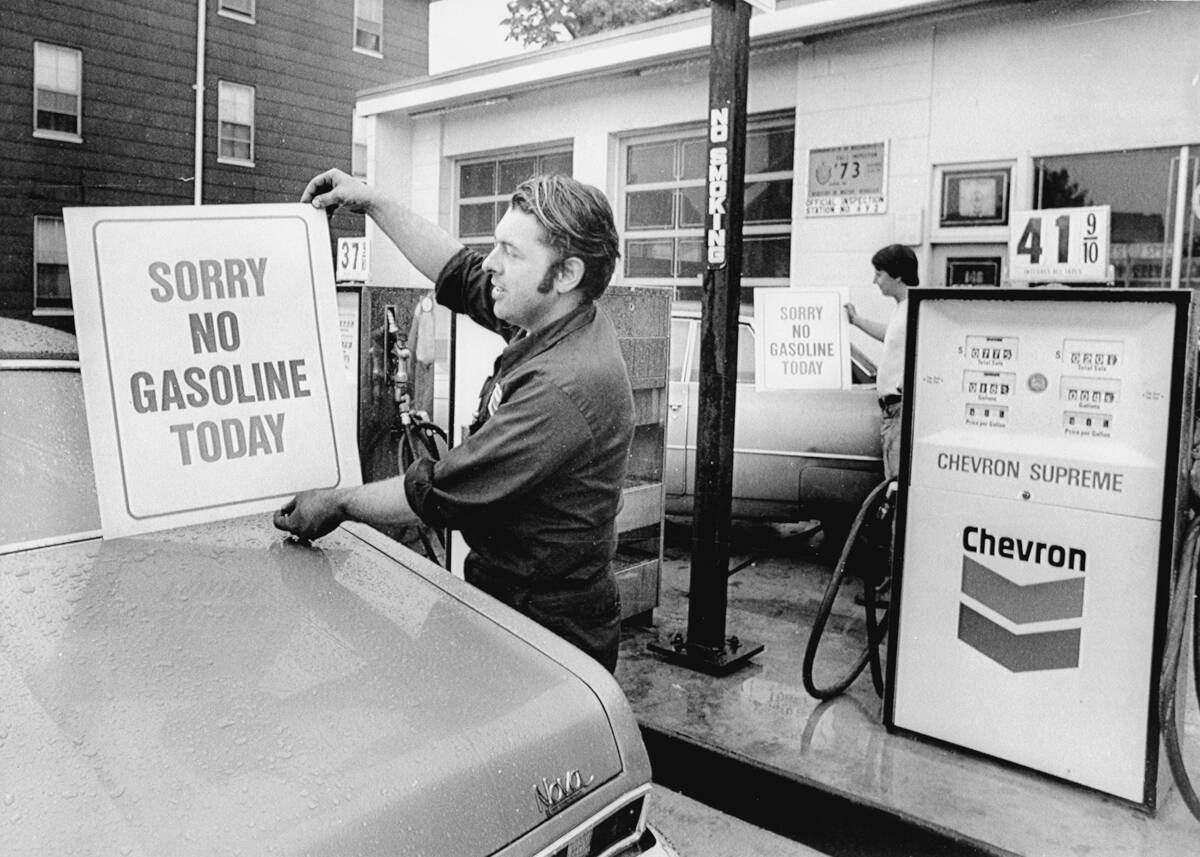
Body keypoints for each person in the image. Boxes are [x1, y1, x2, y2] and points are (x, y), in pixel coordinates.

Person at [274, 168, 634, 672]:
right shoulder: (552, 315)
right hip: (511, 603)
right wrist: (371, 200)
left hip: (547, 636)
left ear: (567, 274)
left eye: (511, 252)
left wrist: (337, 502)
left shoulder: (564, 386)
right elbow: (458, 271)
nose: (492, 264)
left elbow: (444, 490)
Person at [844, 243, 919, 482]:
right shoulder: (904, 309)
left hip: (898, 409)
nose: (875, 280)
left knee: (896, 484)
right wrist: (856, 321)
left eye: (879, 274)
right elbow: (889, 335)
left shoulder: (915, 309)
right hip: (893, 410)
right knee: (893, 481)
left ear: (897, 275)